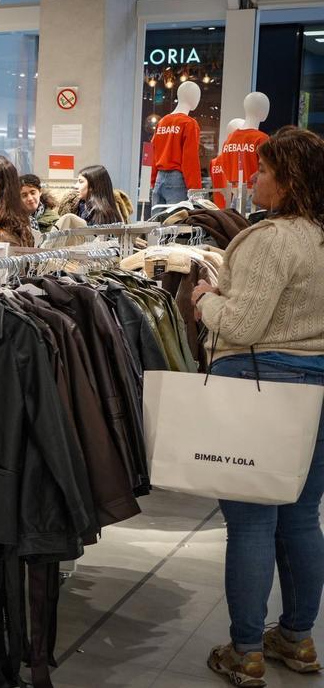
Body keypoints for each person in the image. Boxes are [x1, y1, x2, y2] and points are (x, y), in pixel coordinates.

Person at [191, 127, 324, 688]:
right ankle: (297, 638)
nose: (254, 178)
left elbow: (244, 325)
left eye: (264, 171)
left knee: (249, 524)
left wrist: (204, 302)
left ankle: (245, 649)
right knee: (300, 518)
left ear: (288, 180)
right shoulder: (319, 237)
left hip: (260, 383)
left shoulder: (272, 239)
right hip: (316, 386)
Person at [58, 165, 126, 226]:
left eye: (81, 182)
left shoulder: (105, 215)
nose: (75, 186)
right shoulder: (75, 207)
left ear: (93, 186)